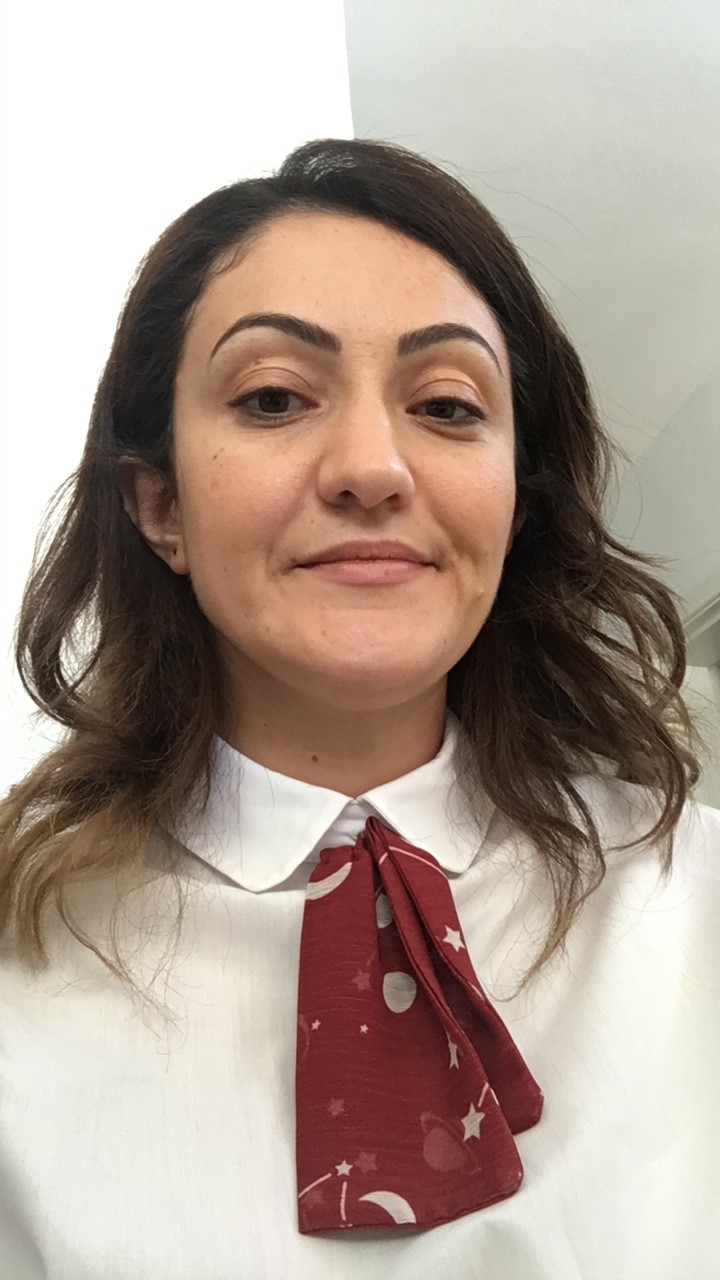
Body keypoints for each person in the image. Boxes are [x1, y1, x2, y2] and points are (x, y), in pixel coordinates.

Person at [0, 137, 717, 1279]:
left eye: (447, 405)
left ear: (515, 503)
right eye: (274, 397)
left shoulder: (695, 900)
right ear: (160, 505)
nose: (374, 467)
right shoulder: (18, 957)